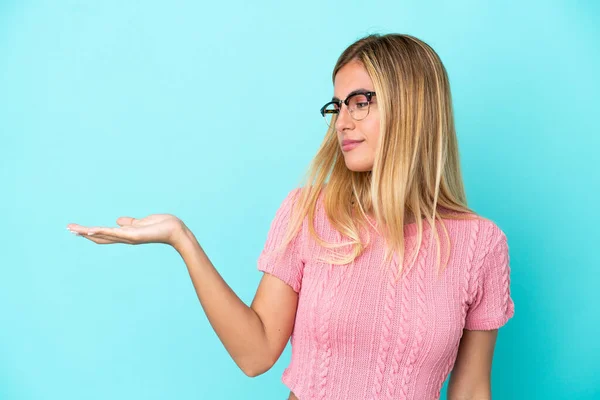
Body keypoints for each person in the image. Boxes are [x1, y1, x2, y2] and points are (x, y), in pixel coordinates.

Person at [67, 33, 515, 400]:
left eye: (361, 102)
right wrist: (181, 238)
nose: (342, 121)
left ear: (413, 106)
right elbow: (256, 353)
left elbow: (472, 389)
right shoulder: (309, 212)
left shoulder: (481, 246)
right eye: (338, 106)